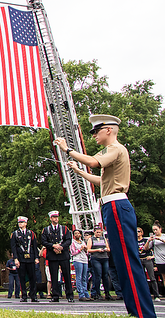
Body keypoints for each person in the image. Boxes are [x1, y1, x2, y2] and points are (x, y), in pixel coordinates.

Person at [56, 114, 156, 318]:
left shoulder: (115, 148)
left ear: (109, 130)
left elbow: (93, 162)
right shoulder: (111, 151)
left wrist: (67, 149)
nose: (94, 135)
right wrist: (78, 171)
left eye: (96, 131)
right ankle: (136, 311)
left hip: (117, 206)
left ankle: (143, 313)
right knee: (121, 262)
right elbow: (101, 181)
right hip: (112, 205)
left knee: (127, 262)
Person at [40, 210, 74, 302]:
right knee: (53, 276)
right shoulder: (46, 230)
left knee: (67, 275)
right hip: (52, 255)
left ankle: (69, 295)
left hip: (63, 255)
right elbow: (44, 241)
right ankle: (55, 295)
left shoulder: (64, 229)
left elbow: (68, 240)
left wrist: (61, 247)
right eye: (54, 217)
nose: (56, 219)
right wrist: (53, 246)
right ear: (50, 218)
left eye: (57, 217)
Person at [10, 216, 39, 302]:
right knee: (22, 277)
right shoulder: (15, 234)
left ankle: (33, 295)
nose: (20, 224)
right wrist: (15, 259)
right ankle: (24, 295)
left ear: (26, 223)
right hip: (21, 258)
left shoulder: (31, 233)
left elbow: (34, 246)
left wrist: (36, 257)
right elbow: (13, 247)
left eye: (22, 222)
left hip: (30, 257)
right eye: (19, 222)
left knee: (32, 277)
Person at [87, 226, 112, 300]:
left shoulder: (103, 239)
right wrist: (97, 250)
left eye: (99, 232)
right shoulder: (91, 239)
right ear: (94, 232)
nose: (98, 233)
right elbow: (89, 249)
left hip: (104, 258)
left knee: (105, 275)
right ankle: (97, 293)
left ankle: (107, 293)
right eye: (97, 232)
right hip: (96, 258)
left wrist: (105, 249)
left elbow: (108, 249)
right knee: (98, 275)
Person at [144, 221, 165, 301]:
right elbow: (146, 248)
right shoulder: (153, 239)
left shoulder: (163, 236)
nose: (155, 231)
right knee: (164, 278)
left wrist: (161, 239)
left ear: (160, 229)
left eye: (156, 229)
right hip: (160, 260)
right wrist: (149, 241)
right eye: (153, 230)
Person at [138, 227, 160, 301]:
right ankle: (145, 295)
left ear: (142, 233)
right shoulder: (134, 241)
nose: (137, 233)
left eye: (139, 231)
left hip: (147, 259)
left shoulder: (146, 240)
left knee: (152, 277)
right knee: (142, 278)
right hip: (139, 259)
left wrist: (152, 257)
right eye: (136, 231)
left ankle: (156, 295)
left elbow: (148, 249)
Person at [70, 229, 90, 301]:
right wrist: (80, 249)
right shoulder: (73, 242)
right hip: (77, 260)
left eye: (78, 233)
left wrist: (85, 249)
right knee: (79, 277)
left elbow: (87, 252)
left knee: (84, 277)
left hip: (84, 259)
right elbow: (73, 253)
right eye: (75, 233)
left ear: (80, 235)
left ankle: (86, 294)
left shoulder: (83, 242)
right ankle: (81, 294)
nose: (77, 235)